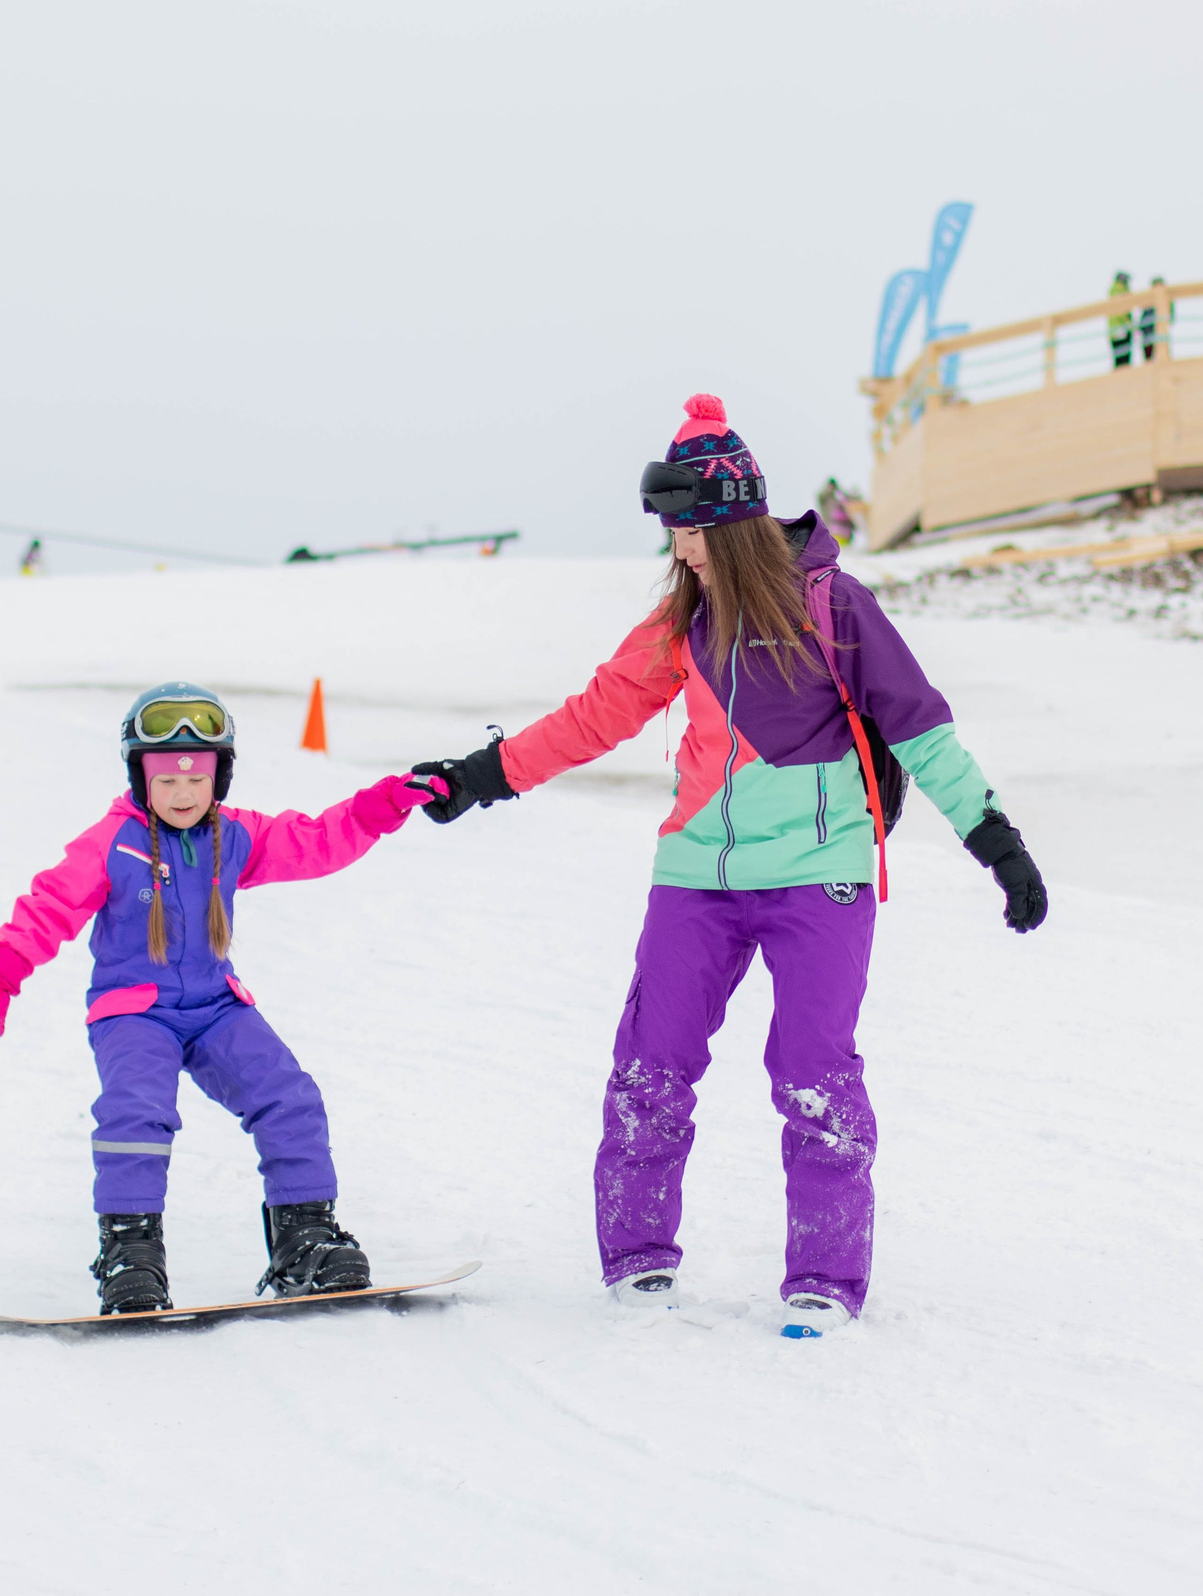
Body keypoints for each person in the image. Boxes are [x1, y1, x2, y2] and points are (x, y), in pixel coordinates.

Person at [411, 395, 1047, 1337]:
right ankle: (636, 1259)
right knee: (649, 1065)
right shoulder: (679, 626)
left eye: (685, 531)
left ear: (728, 522)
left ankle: (825, 1277)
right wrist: (481, 776)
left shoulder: (834, 607)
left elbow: (923, 731)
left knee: (813, 1069)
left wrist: (998, 843)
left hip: (819, 871)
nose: (677, 550)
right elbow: (589, 720)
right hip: (697, 876)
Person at [0, 683, 443, 1314]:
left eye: (197, 781)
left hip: (216, 1007)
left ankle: (305, 1242)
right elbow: (50, 904)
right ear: (140, 780)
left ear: (220, 779)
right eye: (166, 783)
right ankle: (130, 1254)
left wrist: (383, 805)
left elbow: (320, 840)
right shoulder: (112, 843)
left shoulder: (236, 836)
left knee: (289, 1097)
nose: (183, 795)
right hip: (134, 1011)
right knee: (137, 1111)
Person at [813, 477, 857, 547]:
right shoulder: (826, 501)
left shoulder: (840, 501)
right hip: (832, 534)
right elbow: (820, 496)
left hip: (845, 536)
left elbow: (852, 502)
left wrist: (841, 491)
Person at [1107, 271, 1134, 369]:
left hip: (1117, 329)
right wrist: (1127, 325)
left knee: (1120, 358)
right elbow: (1121, 312)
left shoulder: (1116, 290)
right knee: (1123, 358)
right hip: (1120, 329)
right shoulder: (1119, 291)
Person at [1140, 276, 1166, 362]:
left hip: (1158, 330)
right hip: (1149, 330)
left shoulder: (1164, 298)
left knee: (1161, 353)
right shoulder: (1149, 298)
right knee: (1149, 356)